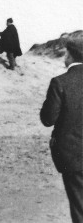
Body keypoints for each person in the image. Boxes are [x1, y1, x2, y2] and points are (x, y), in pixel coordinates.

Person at [40, 35, 83, 222]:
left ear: (70, 55)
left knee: (79, 205)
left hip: (72, 154)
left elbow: (48, 119)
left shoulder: (60, 82)